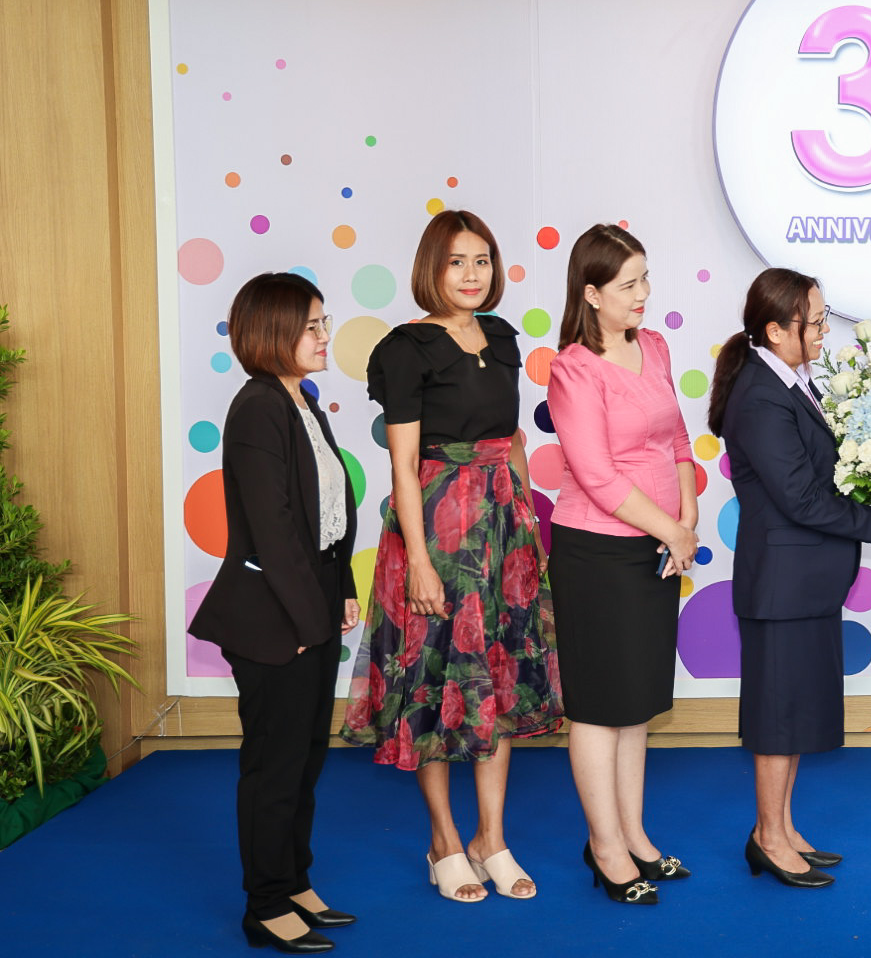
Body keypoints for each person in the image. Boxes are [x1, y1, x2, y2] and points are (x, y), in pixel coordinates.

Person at [340, 209, 563, 904]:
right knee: (435, 683)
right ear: (430, 269)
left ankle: (491, 839)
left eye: (482, 261)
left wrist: (527, 527)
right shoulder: (405, 348)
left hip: (503, 528)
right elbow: (403, 466)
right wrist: (419, 560)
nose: (472, 275)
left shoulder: (502, 337)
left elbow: (513, 439)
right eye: (456, 262)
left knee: (499, 677)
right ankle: (444, 842)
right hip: (437, 528)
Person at [708, 268, 871, 888]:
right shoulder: (760, 395)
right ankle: (768, 837)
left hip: (805, 583)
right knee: (778, 718)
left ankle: (780, 827)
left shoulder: (789, 382)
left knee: (796, 713)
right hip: (783, 585)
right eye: (816, 320)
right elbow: (802, 500)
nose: (824, 330)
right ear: (777, 330)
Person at [189, 272, 360, 954]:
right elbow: (274, 530)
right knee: (275, 764)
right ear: (272, 332)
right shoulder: (258, 406)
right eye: (311, 325)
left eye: (323, 322)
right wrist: (309, 625)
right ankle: (264, 905)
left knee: (307, 757)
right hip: (273, 618)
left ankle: (294, 881)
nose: (323, 335)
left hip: (311, 601)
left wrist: (343, 587)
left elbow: (329, 513)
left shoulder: (303, 401)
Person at [547, 223, 698, 906]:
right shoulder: (574, 369)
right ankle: (604, 847)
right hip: (597, 553)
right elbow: (598, 476)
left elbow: (679, 442)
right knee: (599, 707)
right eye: (628, 284)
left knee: (635, 705)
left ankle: (634, 834)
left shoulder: (655, 346)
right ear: (591, 293)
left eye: (645, 279)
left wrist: (686, 519)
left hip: (659, 547)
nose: (643, 293)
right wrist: (673, 531)